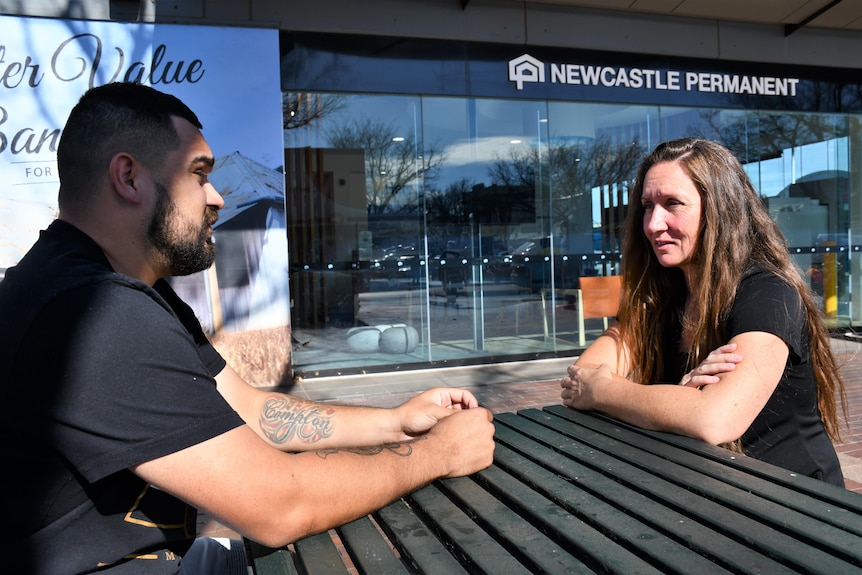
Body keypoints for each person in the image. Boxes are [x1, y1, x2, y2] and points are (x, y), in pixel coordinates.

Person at [0, 82, 496, 574]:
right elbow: (279, 505)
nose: (216, 197)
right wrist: (436, 454)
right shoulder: (93, 311)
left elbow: (248, 408)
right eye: (199, 174)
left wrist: (394, 421)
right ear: (128, 177)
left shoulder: (109, 286)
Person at [560, 137, 847, 486]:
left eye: (672, 204)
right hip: (712, 490)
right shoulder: (661, 295)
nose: (653, 224)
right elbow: (580, 378)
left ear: (718, 209)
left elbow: (715, 418)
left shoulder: (766, 292)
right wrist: (677, 402)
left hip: (794, 503)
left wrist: (606, 391)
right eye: (648, 206)